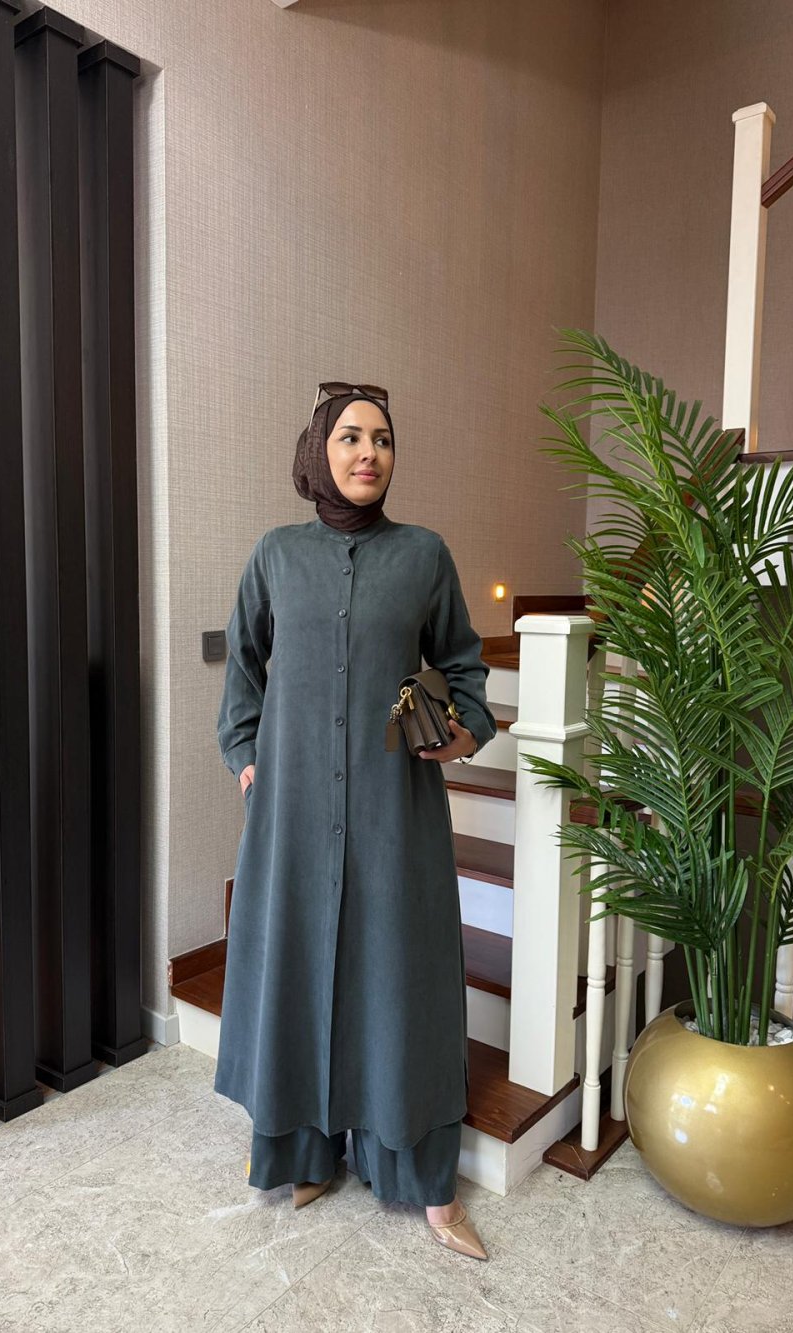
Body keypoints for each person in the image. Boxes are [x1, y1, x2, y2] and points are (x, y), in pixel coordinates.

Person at [215, 381, 497, 1260]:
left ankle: (425, 1181)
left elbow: (464, 668)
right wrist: (246, 753)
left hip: (392, 812)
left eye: (381, 438)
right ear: (319, 450)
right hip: (293, 811)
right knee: (299, 969)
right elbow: (244, 668)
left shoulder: (424, 555)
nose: (368, 452)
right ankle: (305, 1152)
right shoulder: (276, 554)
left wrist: (458, 734)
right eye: (349, 436)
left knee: (399, 980)